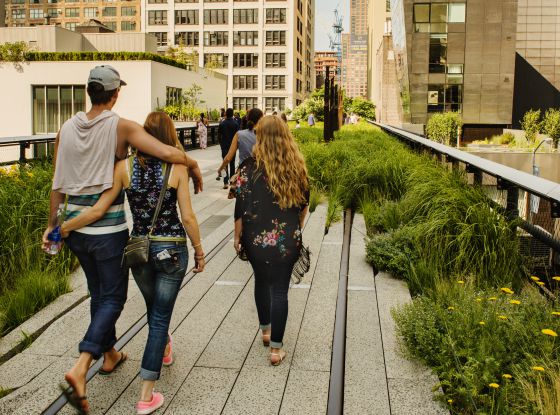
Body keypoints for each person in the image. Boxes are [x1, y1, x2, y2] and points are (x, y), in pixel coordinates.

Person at [42, 65, 203, 414]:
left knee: (97, 293)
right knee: (113, 297)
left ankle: (111, 354)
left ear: (89, 92)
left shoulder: (65, 129)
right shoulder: (122, 126)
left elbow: (57, 183)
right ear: (115, 94)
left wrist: (53, 225)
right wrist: (193, 163)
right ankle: (82, 366)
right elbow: (168, 153)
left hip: (73, 228)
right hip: (107, 229)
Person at [234, 115, 309, 365]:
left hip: (255, 239)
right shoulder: (296, 166)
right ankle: (276, 350)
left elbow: (240, 205)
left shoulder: (247, 167)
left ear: (260, 136)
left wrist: (237, 237)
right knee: (280, 290)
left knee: (261, 282)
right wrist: (294, 229)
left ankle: (265, 331)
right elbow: (304, 204)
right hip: (286, 239)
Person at [217, 108, 264, 176]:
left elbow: (228, 158)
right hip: (260, 173)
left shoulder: (239, 134)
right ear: (261, 119)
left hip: (244, 173)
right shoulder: (265, 134)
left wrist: (220, 168)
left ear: (248, 118)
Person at [217, 108, 239, 189]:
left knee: (224, 164)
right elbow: (238, 136)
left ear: (226, 113)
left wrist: (221, 144)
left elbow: (219, 135)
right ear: (233, 114)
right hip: (233, 146)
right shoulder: (235, 124)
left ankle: (225, 182)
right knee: (232, 164)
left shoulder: (222, 123)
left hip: (224, 146)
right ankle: (232, 181)